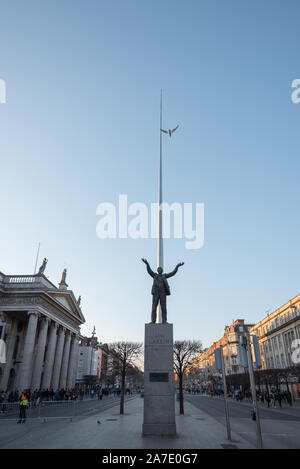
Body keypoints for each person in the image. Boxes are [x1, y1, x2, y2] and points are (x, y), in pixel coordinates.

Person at [142, 258, 184, 323]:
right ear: (157, 270)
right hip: (156, 293)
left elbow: (172, 273)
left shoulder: (164, 276)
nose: (159, 270)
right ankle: (153, 321)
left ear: (162, 271)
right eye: (158, 269)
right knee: (154, 308)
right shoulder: (155, 275)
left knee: (163, 308)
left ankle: (164, 321)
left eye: (160, 269)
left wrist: (177, 266)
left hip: (162, 293)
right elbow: (149, 271)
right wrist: (147, 264)